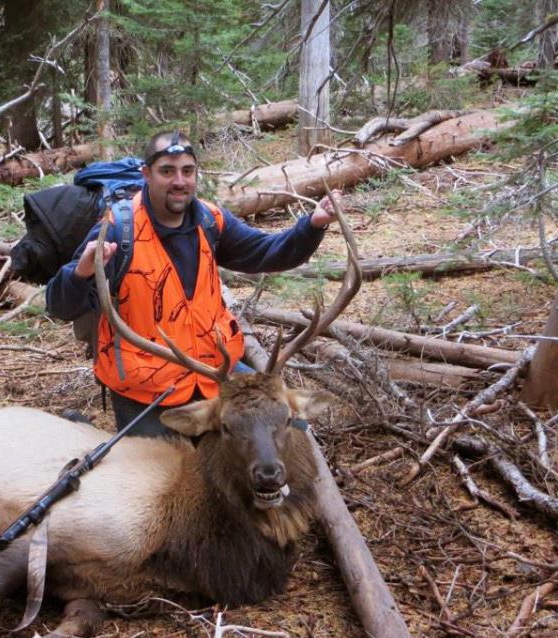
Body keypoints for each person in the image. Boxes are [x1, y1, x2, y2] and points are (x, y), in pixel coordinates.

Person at [46, 130, 340, 436]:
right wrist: (80, 273)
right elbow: (59, 305)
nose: (179, 181)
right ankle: (85, 432)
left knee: (292, 430)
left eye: (187, 171)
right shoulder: (118, 230)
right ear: (146, 174)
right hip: (147, 387)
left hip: (215, 372)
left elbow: (266, 252)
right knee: (164, 465)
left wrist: (313, 224)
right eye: (167, 171)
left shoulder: (210, 221)